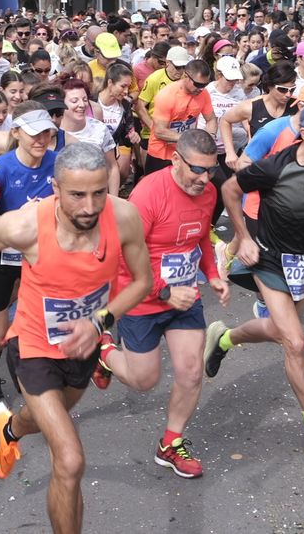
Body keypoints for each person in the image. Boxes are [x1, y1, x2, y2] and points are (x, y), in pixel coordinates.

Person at [0, 144, 151, 534]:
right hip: (32, 348)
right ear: (55, 188)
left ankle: (9, 430)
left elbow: (142, 281)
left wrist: (99, 322)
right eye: (77, 194)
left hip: (84, 347)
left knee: (39, 423)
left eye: (98, 192)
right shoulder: (27, 226)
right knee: (70, 460)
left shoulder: (123, 217)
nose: (90, 206)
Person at [205, 100, 304, 463]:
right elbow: (230, 189)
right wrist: (243, 237)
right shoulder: (275, 166)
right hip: (269, 258)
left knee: (281, 330)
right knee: (295, 340)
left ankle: (225, 338)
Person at [93, 130, 229, 478]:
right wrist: (165, 291)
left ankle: (170, 443)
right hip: (142, 297)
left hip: (184, 297)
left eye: (210, 170)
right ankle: (105, 351)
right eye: (197, 170)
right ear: (175, 160)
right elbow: (124, 258)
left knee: (191, 371)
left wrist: (212, 274)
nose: (204, 178)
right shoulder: (147, 195)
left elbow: (200, 239)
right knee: (143, 380)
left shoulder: (209, 192)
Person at [0, 103, 64, 411]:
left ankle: (38, 379)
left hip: (41, 260)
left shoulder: (60, 164)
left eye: (47, 133)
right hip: (2, 261)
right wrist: (19, 217)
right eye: (34, 133)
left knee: (40, 326)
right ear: (16, 133)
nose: (41, 139)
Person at [144, 59, 214, 176]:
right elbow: (159, 131)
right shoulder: (166, 95)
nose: (201, 89)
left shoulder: (203, 93)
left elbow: (211, 119)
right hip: (161, 153)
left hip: (185, 153)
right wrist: (188, 138)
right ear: (186, 76)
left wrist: (210, 138)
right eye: (198, 84)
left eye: (205, 85)